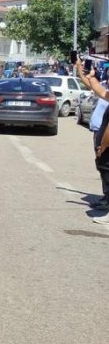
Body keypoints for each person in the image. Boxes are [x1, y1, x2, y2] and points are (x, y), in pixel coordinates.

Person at [77, 60, 109, 223]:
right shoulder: (106, 90)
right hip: (100, 134)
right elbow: (97, 89)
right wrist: (86, 73)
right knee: (104, 169)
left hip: (106, 141)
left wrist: (102, 146)